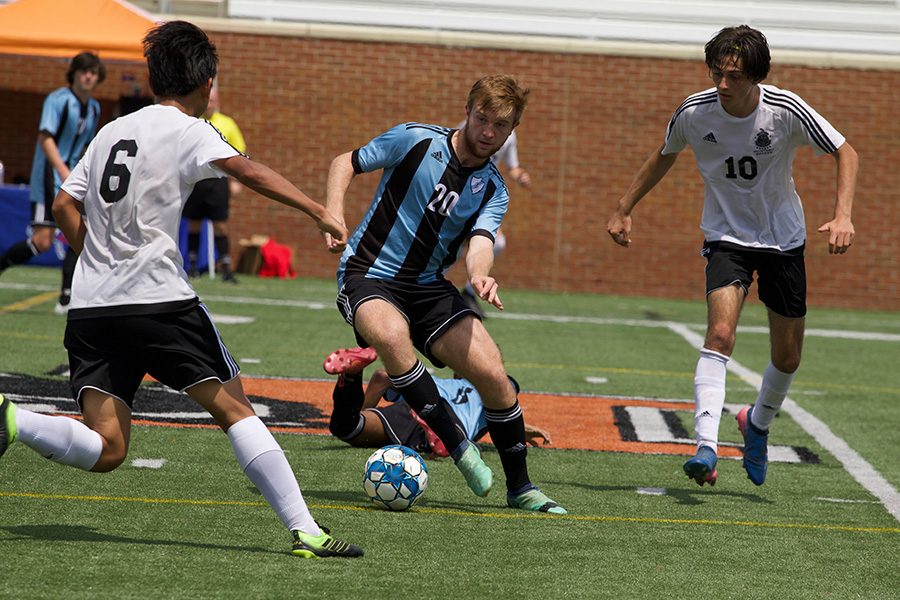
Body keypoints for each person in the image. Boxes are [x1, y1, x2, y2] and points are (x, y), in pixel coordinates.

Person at [0, 21, 361, 559]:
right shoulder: (189, 128)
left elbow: (61, 206)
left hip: (92, 308)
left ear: (152, 78)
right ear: (207, 82)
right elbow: (249, 170)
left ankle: (11, 419)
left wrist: (98, 257)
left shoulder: (110, 132)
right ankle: (306, 530)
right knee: (236, 410)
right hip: (157, 302)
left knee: (108, 448)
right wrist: (319, 211)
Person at [606, 25, 858, 487]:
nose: (723, 84)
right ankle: (705, 446)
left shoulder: (784, 110)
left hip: (783, 241)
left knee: (787, 357)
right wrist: (624, 208)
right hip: (726, 238)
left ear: (757, 76)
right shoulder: (694, 112)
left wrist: (843, 216)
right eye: (717, 73)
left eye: (735, 77)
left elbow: (846, 151)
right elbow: (664, 154)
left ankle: (756, 423)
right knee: (720, 333)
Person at [324, 74, 565, 514]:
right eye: (482, 119)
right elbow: (346, 162)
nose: (488, 132)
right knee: (393, 338)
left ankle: (521, 488)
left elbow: (481, 241)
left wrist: (479, 276)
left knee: (493, 373)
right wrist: (334, 216)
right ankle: (459, 447)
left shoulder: (494, 188)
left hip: (428, 286)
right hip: (368, 274)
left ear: (512, 131)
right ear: (468, 111)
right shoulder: (415, 139)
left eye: (501, 126)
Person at [0, 52, 105, 315]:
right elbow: (45, 138)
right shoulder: (57, 100)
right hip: (48, 176)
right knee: (43, 241)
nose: (88, 76)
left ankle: (67, 296)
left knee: (82, 230)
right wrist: (62, 170)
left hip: (73, 177)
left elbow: (86, 146)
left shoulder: (94, 107)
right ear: (74, 73)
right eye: (84, 71)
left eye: (93, 72)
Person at [323, 347, 552, 455]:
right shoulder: (495, 387)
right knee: (456, 437)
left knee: (347, 427)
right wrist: (518, 429)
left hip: (418, 403)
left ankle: (351, 376)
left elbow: (383, 377)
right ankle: (443, 435)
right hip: (453, 422)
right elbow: (504, 408)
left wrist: (363, 414)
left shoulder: (433, 380)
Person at [455, 122, 531, 317]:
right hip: (458, 196)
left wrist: (520, 175)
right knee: (448, 251)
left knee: (497, 243)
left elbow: (513, 167)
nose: (489, 134)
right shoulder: (470, 126)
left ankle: (469, 294)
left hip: (482, 198)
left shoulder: (509, 136)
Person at [183, 85, 246, 282]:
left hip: (218, 182)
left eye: (213, 101)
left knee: (220, 224)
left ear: (217, 103)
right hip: (196, 181)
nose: (209, 104)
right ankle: (192, 265)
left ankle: (225, 267)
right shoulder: (192, 123)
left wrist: (236, 181)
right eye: (207, 100)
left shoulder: (227, 123)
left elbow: (238, 152)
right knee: (194, 223)